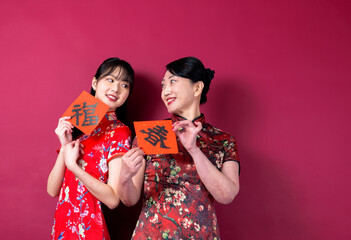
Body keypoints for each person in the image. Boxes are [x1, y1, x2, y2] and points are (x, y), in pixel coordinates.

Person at [118, 56, 240, 239]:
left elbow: (226, 195)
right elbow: (129, 200)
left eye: (172, 82)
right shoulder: (150, 133)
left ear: (197, 87)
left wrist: (193, 149)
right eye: (163, 85)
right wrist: (125, 176)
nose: (165, 91)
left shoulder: (223, 140)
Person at [47, 57, 135, 240]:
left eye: (124, 85)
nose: (116, 88)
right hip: (62, 228)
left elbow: (113, 200)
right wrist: (64, 146)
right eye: (110, 80)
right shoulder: (78, 126)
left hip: (88, 231)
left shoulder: (120, 131)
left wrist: (74, 167)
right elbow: (52, 190)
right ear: (95, 82)